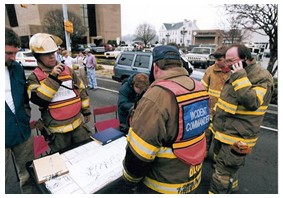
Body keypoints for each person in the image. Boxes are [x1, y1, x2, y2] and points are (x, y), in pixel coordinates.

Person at [122, 45, 210, 194]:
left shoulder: (156, 96)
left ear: (155, 67)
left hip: (162, 184)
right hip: (192, 179)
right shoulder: (199, 87)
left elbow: (139, 153)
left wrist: (129, 179)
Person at [208, 44, 274, 194]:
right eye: (227, 60)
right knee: (226, 168)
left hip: (237, 137)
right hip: (224, 132)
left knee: (222, 174)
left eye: (231, 60)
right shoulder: (238, 71)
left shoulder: (261, 77)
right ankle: (232, 188)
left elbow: (253, 102)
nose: (227, 64)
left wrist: (239, 77)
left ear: (245, 58)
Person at [27, 33, 92, 152]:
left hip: (78, 126)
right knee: (65, 162)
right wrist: (53, 77)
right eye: (47, 54)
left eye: (53, 52)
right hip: (58, 132)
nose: (52, 56)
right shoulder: (34, 77)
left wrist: (86, 111)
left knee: (86, 154)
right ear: (37, 56)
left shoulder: (68, 70)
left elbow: (81, 90)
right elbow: (40, 100)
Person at [5, 27, 39, 193]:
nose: (13, 57)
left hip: (22, 133)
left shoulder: (16, 69)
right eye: (8, 53)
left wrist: (26, 116)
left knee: (28, 175)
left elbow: (24, 97)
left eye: (15, 53)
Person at [201, 46, 231, 158]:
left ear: (226, 59)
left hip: (224, 112)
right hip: (209, 110)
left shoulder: (234, 72)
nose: (216, 62)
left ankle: (216, 159)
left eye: (219, 60)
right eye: (216, 60)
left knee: (220, 138)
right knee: (206, 135)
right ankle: (202, 155)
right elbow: (202, 88)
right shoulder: (210, 70)